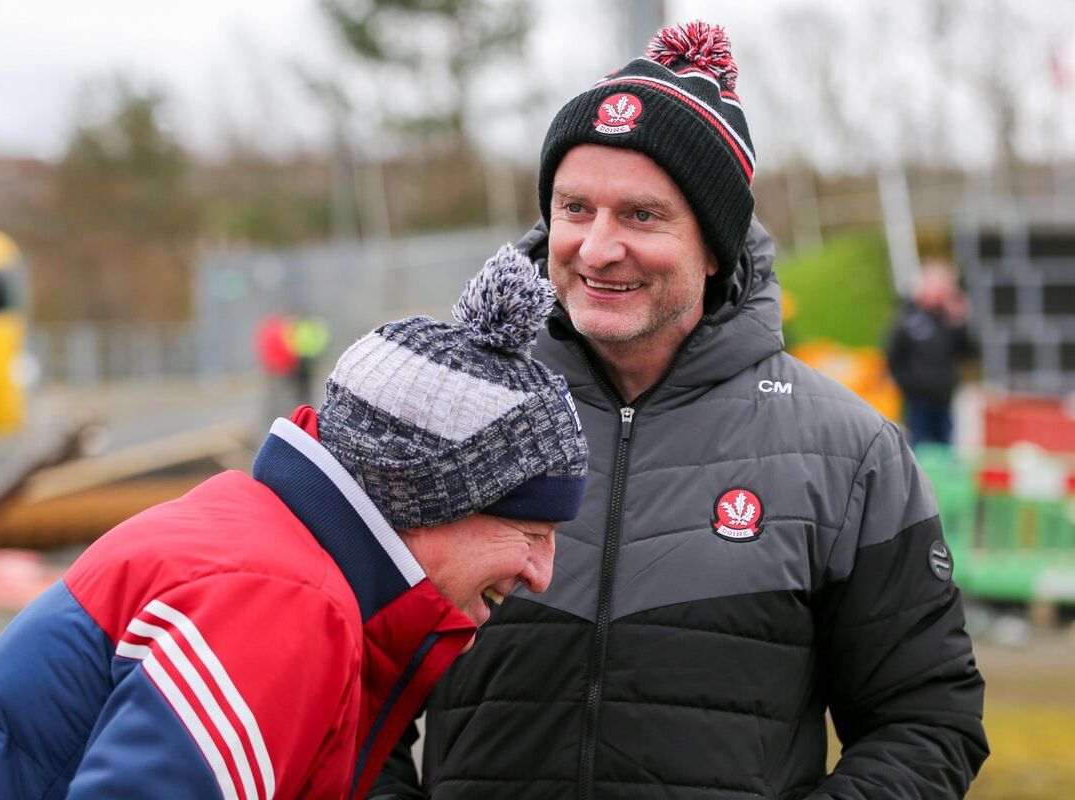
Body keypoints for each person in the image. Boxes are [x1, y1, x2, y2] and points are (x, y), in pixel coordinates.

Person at [371, 21, 988, 800]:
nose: (597, 249)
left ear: (714, 246)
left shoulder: (850, 452)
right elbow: (346, 678)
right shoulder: (447, 413)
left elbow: (927, 720)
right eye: (574, 209)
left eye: (642, 215)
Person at [0, 246, 588, 800]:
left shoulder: (256, 538)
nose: (542, 571)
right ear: (425, 496)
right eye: (532, 533)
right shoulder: (283, 605)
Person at [886, 260, 975, 446]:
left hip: (944, 400)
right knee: (918, 448)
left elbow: (969, 353)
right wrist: (909, 386)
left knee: (944, 450)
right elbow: (892, 357)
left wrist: (960, 323)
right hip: (917, 402)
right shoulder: (908, 317)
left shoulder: (948, 319)